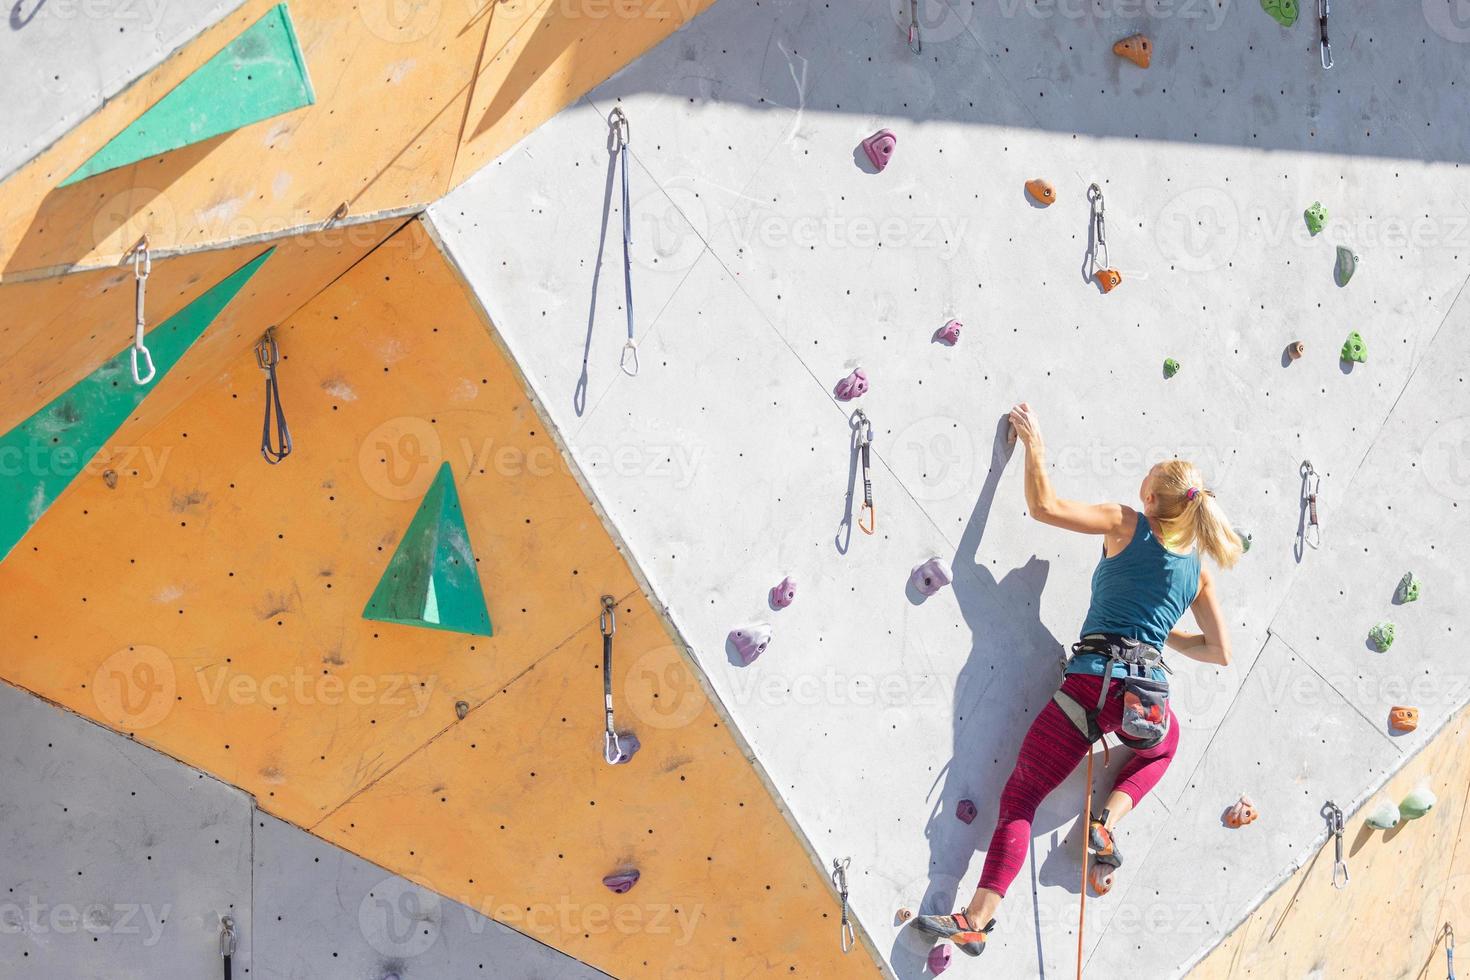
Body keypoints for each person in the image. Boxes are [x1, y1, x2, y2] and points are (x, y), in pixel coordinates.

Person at [913, 403, 1241, 957]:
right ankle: (1107, 822)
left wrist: (1035, 444)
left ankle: (976, 919)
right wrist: (1160, 639)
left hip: (1088, 684)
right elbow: (1219, 652)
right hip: (1144, 697)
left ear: (1152, 497)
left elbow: (1044, 506)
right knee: (1164, 748)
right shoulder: (1197, 572)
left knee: (1020, 799)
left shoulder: (1127, 523)